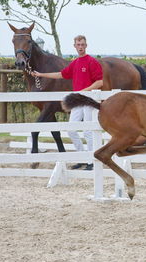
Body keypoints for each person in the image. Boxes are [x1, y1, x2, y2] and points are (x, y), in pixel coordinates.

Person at [32, 35, 103, 171]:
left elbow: (100, 82)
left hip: (88, 100)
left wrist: (84, 91)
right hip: (77, 101)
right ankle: (82, 157)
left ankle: (92, 161)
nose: (80, 47)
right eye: (78, 45)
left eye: (82, 44)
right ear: (75, 46)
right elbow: (60, 74)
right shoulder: (75, 63)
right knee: (71, 129)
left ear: (86, 46)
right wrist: (41, 75)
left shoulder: (92, 62)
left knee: (88, 131)